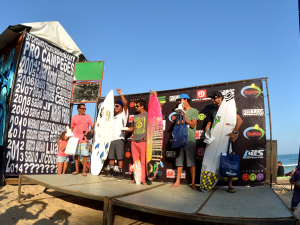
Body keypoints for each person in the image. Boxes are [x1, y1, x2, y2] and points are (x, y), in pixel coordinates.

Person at [205, 91, 243, 193]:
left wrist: (234, 132)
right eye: (212, 98)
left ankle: (230, 185)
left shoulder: (229, 110)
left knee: (228, 162)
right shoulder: (212, 111)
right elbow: (208, 124)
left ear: (221, 98)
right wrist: (207, 133)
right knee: (213, 160)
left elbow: (239, 121)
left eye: (214, 98)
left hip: (226, 139)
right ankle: (213, 182)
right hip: (214, 139)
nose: (213, 100)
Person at [126, 92, 158, 185]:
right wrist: (125, 129)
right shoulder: (135, 116)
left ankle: (143, 179)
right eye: (136, 106)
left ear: (142, 106)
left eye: (138, 106)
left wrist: (155, 96)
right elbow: (133, 128)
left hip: (143, 141)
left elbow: (158, 110)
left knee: (144, 162)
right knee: (135, 162)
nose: (136, 107)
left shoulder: (148, 114)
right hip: (134, 141)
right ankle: (136, 178)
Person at [170, 93, 199, 190]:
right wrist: (179, 119)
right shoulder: (179, 113)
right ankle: (177, 182)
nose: (179, 102)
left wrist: (184, 117)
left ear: (186, 100)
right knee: (179, 162)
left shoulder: (194, 111)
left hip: (189, 140)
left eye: (180, 100)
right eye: (178, 100)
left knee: (191, 162)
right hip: (179, 139)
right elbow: (178, 124)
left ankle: (193, 183)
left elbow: (193, 125)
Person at [102, 88, 128, 181]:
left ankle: (120, 174)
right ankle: (111, 173)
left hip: (119, 138)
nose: (115, 107)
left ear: (121, 107)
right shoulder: (113, 117)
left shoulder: (124, 114)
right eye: (115, 106)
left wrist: (121, 93)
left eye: (117, 106)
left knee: (120, 157)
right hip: (111, 139)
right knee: (111, 157)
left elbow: (125, 104)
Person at [71, 104, 94, 176]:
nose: (84, 110)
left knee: (85, 155)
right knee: (76, 155)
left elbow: (92, 125)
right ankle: (77, 170)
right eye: (83, 109)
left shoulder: (87, 116)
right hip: (76, 139)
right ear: (78, 109)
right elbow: (72, 127)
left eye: (85, 109)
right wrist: (69, 135)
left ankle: (84, 170)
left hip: (85, 139)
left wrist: (92, 129)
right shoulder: (74, 117)